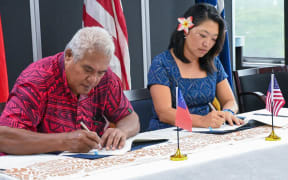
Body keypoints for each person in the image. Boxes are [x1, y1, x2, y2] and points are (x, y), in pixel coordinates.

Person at [0, 27, 140, 155]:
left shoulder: (106, 79)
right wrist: (64, 141)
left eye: (100, 73)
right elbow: (4, 137)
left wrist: (121, 131)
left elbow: (130, 118)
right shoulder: (37, 80)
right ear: (68, 56)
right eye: (87, 70)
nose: (93, 79)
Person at [147, 3, 244, 130]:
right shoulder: (161, 63)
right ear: (186, 31)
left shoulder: (213, 62)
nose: (207, 44)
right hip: (170, 133)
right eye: (202, 35)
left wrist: (228, 112)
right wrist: (202, 121)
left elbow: (230, 101)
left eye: (213, 39)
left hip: (206, 131)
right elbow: (164, 113)